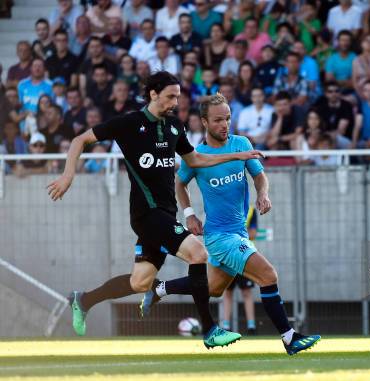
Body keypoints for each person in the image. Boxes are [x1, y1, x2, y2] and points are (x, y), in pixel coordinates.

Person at [47, 71, 263, 349]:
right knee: (198, 253)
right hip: (146, 214)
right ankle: (210, 330)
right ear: (153, 94)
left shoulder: (174, 126)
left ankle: (84, 299)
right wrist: (68, 175)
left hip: (165, 214)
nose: (175, 101)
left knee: (140, 282)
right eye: (171, 95)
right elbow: (80, 140)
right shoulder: (128, 123)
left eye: (178, 96)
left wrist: (237, 155)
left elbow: (195, 159)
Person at [139, 93, 321, 355]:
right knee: (268, 275)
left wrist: (263, 194)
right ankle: (289, 337)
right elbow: (179, 183)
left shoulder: (241, 144)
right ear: (204, 122)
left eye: (227, 119)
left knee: (212, 288)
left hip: (239, 232)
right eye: (217, 120)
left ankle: (160, 288)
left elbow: (259, 176)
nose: (224, 125)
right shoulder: (197, 156)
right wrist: (189, 214)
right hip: (219, 237)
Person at [221, 206, 258, 334]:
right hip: (229, 254)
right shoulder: (225, 207)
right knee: (227, 292)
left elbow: (253, 234)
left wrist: (235, 234)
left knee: (246, 291)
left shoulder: (251, 210)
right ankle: (226, 325)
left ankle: (251, 326)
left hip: (243, 255)